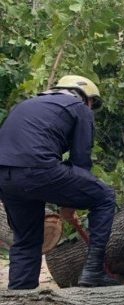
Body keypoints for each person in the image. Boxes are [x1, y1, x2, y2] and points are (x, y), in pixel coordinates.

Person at [0, 75, 117, 289]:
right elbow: (81, 161)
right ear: (86, 97)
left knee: (27, 239)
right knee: (105, 197)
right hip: (38, 169)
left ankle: (19, 300)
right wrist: (68, 206)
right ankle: (93, 271)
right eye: (92, 104)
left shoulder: (25, 104)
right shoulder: (79, 107)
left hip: (5, 177)